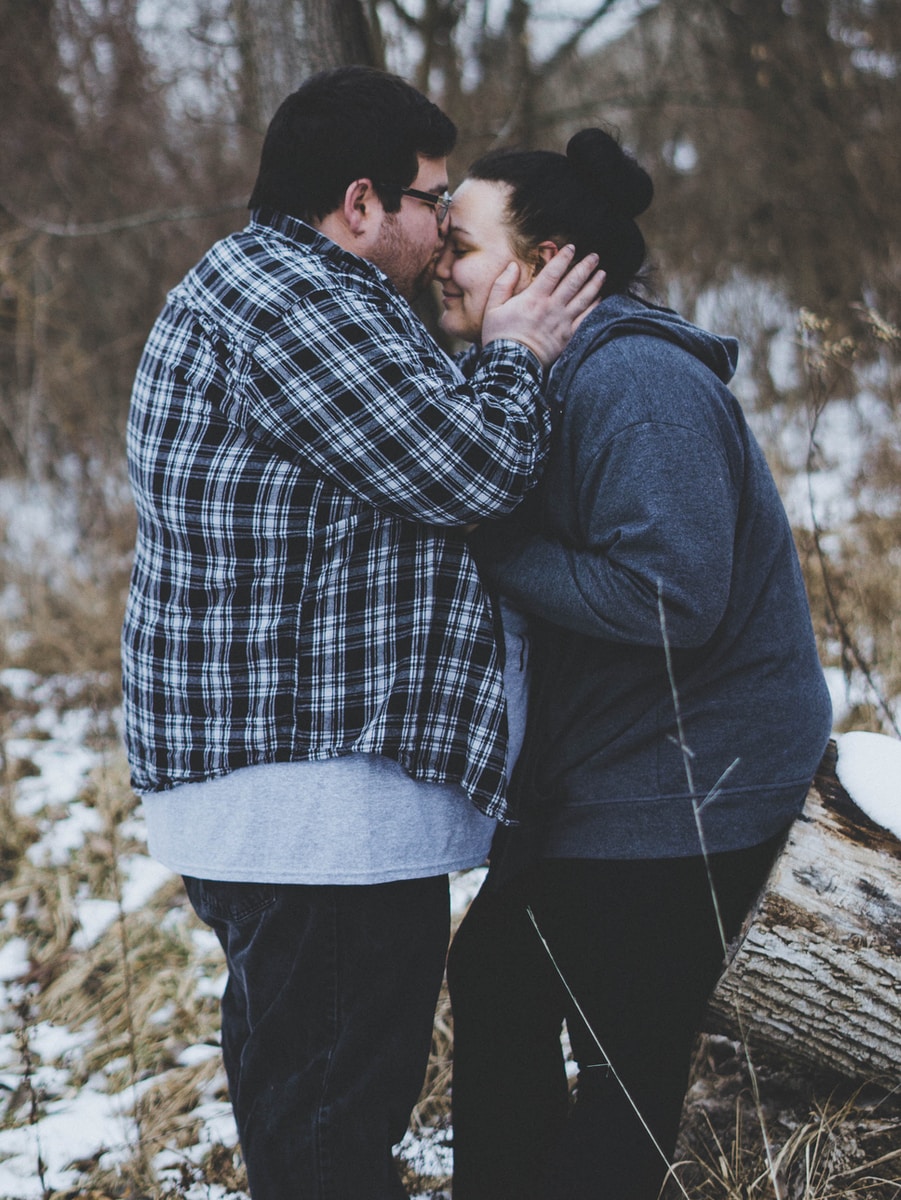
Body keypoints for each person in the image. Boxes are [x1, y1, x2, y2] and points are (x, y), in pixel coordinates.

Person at [120, 66, 602, 1200]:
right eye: (432, 200)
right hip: (310, 809)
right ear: (359, 204)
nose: (443, 232)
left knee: (305, 1102)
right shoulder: (296, 300)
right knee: (332, 1122)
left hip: (296, 801)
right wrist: (521, 350)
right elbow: (466, 468)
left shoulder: (272, 288)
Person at [438, 129, 833, 1200]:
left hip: (693, 787)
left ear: (549, 262)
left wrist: (496, 550)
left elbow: (672, 595)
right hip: (612, 778)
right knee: (499, 979)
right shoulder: (542, 380)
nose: (437, 262)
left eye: (459, 243)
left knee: (624, 1063)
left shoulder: (637, 384)